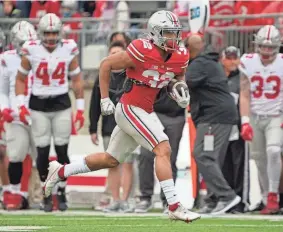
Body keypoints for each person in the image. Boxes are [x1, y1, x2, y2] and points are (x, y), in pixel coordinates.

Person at [43, 10, 200, 223]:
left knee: (110, 159)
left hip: (145, 110)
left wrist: (179, 90)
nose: (173, 38)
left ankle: (60, 171)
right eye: (168, 33)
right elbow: (106, 64)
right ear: (155, 33)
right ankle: (174, 205)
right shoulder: (141, 49)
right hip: (130, 108)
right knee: (163, 148)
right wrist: (104, 98)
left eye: (175, 33)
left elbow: (176, 77)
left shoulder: (180, 55)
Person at [15, 13, 85, 212]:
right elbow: (21, 79)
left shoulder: (68, 48)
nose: (52, 37)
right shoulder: (31, 49)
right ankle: (47, 193)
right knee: (43, 151)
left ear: (60, 32)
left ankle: (62, 190)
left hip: (61, 102)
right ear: (40, 33)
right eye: (48, 33)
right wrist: (20, 105)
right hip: (38, 104)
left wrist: (80, 110)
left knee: (62, 151)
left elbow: (77, 80)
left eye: (54, 33)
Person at [185, 34, 240, 215]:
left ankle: (226, 196)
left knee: (202, 155)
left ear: (189, 49)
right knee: (210, 157)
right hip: (216, 116)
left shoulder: (199, 64)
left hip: (213, 117)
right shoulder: (209, 62)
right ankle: (213, 200)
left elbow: (187, 81)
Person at [239, 25, 283, 215]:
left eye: (270, 47)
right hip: (256, 115)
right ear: (256, 45)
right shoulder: (248, 61)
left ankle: (273, 194)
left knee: (274, 150)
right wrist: (245, 121)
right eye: (263, 47)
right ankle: (266, 198)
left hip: (276, 115)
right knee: (259, 159)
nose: (266, 51)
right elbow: (244, 93)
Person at [89, 41, 135, 213]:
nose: (115, 56)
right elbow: (94, 104)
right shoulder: (102, 76)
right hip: (109, 127)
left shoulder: (132, 74)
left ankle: (126, 200)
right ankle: (115, 200)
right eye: (112, 53)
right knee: (112, 164)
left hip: (129, 127)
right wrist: (93, 128)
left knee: (129, 164)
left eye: (119, 53)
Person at [0, 21, 37, 210]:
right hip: (16, 114)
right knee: (15, 155)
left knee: (45, 157)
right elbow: (3, 89)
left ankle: (43, 195)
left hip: (40, 111)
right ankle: (14, 193)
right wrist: (4, 108)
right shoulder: (7, 58)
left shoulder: (43, 54)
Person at [135, 88, 185, 213]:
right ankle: (145, 197)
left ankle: (168, 200)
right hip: (152, 114)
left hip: (176, 117)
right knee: (145, 156)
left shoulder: (185, 68)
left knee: (170, 159)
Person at [220, 46, 250, 213]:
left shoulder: (243, 77)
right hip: (221, 127)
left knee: (239, 165)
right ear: (223, 58)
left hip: (238, 127)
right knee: (224, 165)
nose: (232, 61)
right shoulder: (217, 77)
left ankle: (240, 201)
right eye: (229, 57)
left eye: (235, 57)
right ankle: (227, 198)